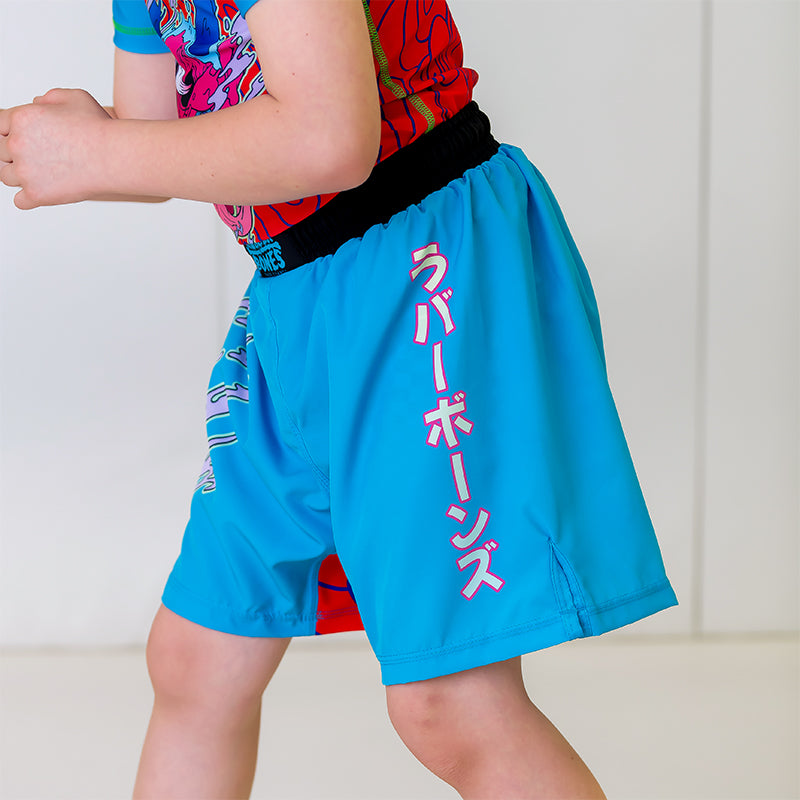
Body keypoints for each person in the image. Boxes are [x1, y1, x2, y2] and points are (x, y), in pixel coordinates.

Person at [0, 1, 678, 798]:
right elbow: (152, 138)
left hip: (417, 262)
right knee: (200, 653)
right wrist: (88, 141)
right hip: (299, 295)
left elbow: (328, 138)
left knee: (447, 702)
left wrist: (100, 149)